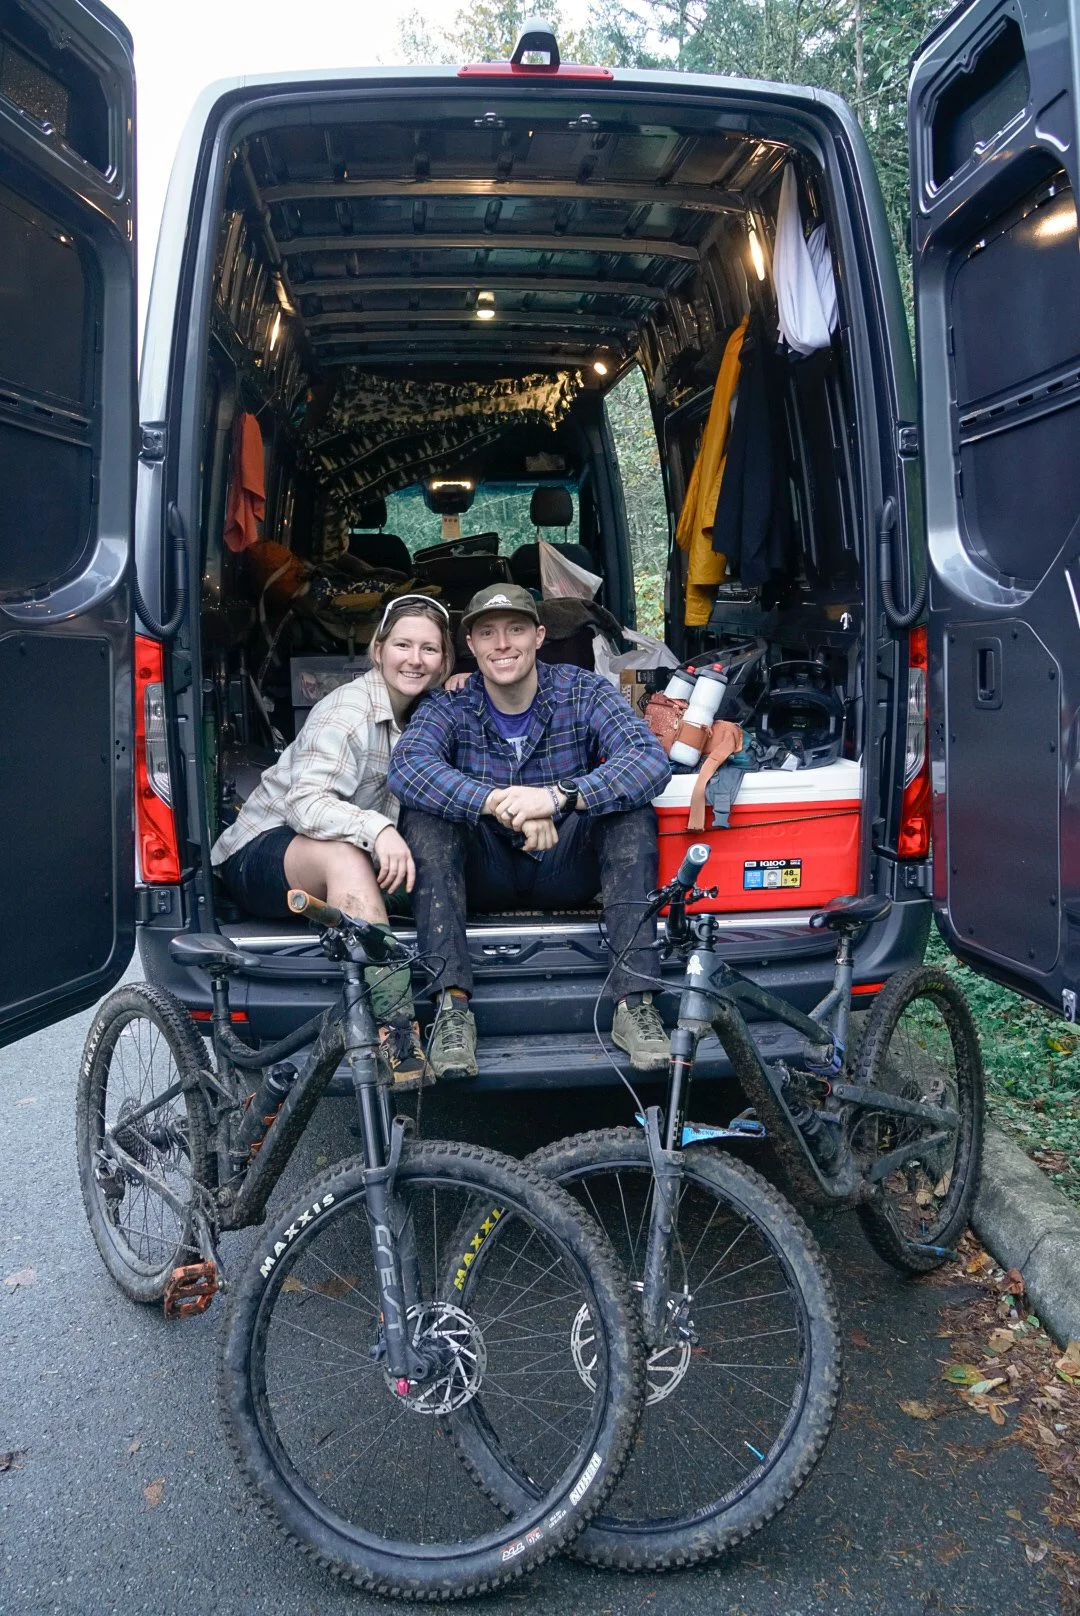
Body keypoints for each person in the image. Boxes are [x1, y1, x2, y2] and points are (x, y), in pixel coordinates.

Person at [387, 582, 673, 1080]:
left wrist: (558, 797)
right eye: (488, 633)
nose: (503, 644)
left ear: (539, 636)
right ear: (470, 646)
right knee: (425, 816)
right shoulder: (447, 705)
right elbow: (408, 768)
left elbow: (647, 760)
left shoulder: (582, 689)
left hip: (567, 861)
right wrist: (497, 801)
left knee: (631, 812)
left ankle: (636, 1004)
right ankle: (452, 1012)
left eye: (516, 629)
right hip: (485, 870)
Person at [211, 596, 454, 1085]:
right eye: (403, 645)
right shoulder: (348, 710)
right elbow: (306, 806)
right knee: (346, 856)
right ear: (378, 650)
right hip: (261, 851)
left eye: (429, 649)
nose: (415, 659)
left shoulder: (431, 712)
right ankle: (393, 1026)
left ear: (445, 661)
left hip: (342, 855)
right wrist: (379, 828)